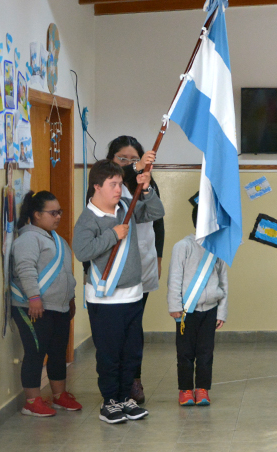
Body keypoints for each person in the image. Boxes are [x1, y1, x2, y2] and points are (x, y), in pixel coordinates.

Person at [72, 159, 164, 424]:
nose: (118, 190)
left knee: (131, 353)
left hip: (133, 295)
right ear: (96, 187)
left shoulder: (126, 206)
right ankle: (110, 401)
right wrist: (113, 235)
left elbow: (156, 211)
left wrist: (146, 191)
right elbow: (82, 251)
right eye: (113, 185)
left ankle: (126, 399)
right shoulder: (88, 219)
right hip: (105, 298)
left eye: (121, 184)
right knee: (110, 354)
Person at [10, 191, 81, 417]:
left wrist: (70, 299)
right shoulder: (28, 239)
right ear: (37, 215)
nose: (58, 216)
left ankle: (59, 396)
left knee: (58, 352)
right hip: (33, 306)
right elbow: (25, 269)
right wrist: (33, 297)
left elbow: (66, 273)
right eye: (53, 213)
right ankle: (32, 401)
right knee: (35, 352)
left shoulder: (57, 240)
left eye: (59, 212)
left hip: (58, 307)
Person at [107, 135, 164, 404]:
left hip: (144, 259)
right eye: (123, 159)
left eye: (134, 158)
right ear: (110, 161)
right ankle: (114, 381)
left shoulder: (147, 183)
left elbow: (158, 220)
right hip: (113, 264)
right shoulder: (104, 185)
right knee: (115, 326)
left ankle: (134, 379)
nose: (129, 164)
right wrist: (136, 166)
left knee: (134, 325)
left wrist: (160, 256)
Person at [167, 207, 228, 407]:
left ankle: (202, 389)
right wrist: (174, 305)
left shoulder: (217, 249)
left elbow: (223, 282)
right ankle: (185, 389)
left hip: (210, 310)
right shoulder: (182, 246)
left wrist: (221, 311)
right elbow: (174, 278)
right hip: (186, 311)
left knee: (206, 352)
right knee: (184, 353)